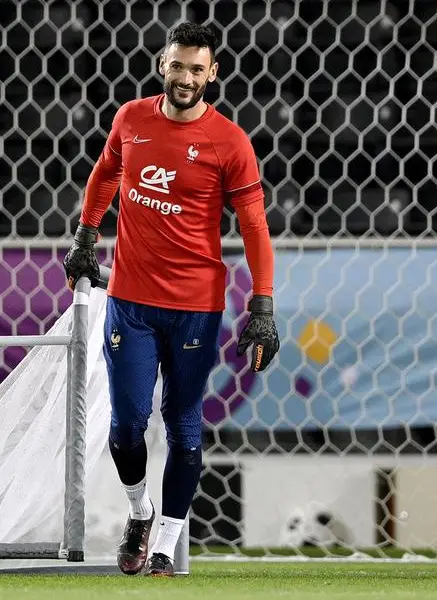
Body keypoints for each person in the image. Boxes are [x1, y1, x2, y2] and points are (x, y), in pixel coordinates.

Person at [63, 22, 280, 577]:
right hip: (130, 301)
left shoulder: (229, 141)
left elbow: (254, 225)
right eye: (177, 66)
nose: (186, 78)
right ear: (163, 65)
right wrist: (87, 234)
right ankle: (140, 512)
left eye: (196, 69)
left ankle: (166, 541)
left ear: (214, 74)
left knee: (183, 420)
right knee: (126, 424)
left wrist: (262, 305)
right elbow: (106, 173)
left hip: (195, 305)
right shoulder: (131, 118)